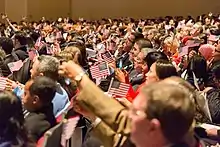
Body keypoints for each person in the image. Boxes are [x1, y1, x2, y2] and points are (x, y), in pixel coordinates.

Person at [58, 61, 202, 147]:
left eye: (133, 111)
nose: (126, 113)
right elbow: (122, 131)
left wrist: (80, 77)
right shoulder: (163, 133)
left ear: (153, 127)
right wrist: (92, 115)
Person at [22, 76, 57, 142]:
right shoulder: (49, 107)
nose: (22, 97)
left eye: (25, 94)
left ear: (35, 99)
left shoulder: (29, 128)